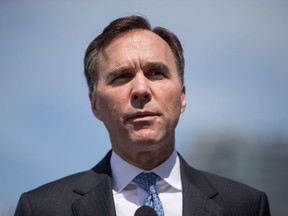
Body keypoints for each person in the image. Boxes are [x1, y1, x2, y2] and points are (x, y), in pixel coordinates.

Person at [15, 15, 270, 216]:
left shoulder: (245, 206)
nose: (140, 90)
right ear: (95, 105)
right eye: (122, 76)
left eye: (156, 73)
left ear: (182, 97)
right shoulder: (41, 208)